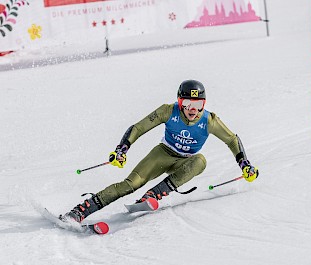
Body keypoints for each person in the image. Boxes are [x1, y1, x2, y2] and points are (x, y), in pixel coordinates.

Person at [60, 80, 259, 223]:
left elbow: (232, 139)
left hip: (185, 163)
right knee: (130, 184)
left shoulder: (208, 120)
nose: (193, 109)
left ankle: (152, 195)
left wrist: (245, 164)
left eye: (198, 105)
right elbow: (138, 128)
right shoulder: (167, 111)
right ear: (180, 103)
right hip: (162, 154)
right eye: (187, 104)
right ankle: (80, 211)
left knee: (201, 161)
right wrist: (122, 150)